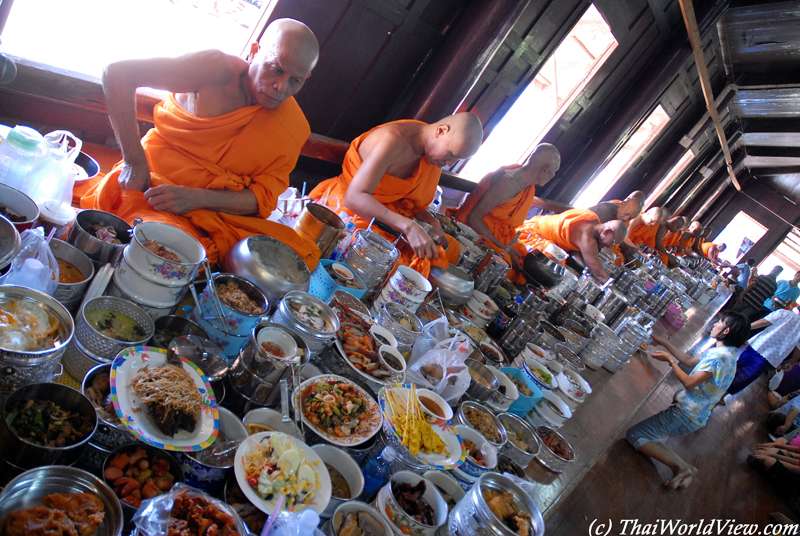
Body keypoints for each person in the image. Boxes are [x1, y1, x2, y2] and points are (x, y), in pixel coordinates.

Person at [80, 19, 322, 268]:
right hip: (154, 185)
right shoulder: (214, 70)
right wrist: (133, 160)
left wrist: (197, 198)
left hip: (217, 211)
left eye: (296, 81)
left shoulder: (293, 126)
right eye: (275, 69)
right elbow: (117, 73)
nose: (281, 88)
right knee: (162, 250)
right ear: (254, 51)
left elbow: (261, 198)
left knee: (297, 259)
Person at [309, 113, 483, 278]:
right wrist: (408, 227)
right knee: (395, 267)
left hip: (387, 216)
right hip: (351, 209)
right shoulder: (393, 140)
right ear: (441, 131)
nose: (449, 163)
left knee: (449, 249)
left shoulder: (430, 153)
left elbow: (406, 199)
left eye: (458, 159)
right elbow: (354, 197)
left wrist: (430, 221)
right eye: (451, 154)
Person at [626, 311, 750, 489]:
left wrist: (670, 361)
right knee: (650, 434)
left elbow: (689, 382)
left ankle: (680, 467)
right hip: (693, 415)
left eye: (720, 322)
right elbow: (690, 360)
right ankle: (686, 468)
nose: (714, 324)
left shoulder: (718, 357)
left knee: (635, 435)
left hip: (684, 415)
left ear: (726, 331)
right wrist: (664, 343)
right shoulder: (725, 353)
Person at [450, 144, 561, 278]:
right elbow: (473, 218)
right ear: (545, 169)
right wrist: (504, 248)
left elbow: (506, 225)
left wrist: (510, 248)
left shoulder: (527, 186)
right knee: (506, 264)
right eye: (554, 171)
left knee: (524, 258)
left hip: (496, 234)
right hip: (472, 231)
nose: (553, 176)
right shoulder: (507, 183)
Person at [518, 209, 627, 283]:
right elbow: (599, 274)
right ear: (606, 232)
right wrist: (614, 290)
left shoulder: (593, 217)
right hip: (533, 236)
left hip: (536, 222)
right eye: (612, 243)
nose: (609, 246)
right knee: (551, 274)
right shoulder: (587, 238)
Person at [726, 308, 800, 397]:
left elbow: (764, 322)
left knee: (737, 366)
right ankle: (722, 394)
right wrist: (792, 363)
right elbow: (798, 349)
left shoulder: (785, 313)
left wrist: (745, 327)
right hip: (772, 357)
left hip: (759, 345)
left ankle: (715, 387)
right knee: (747, 376)